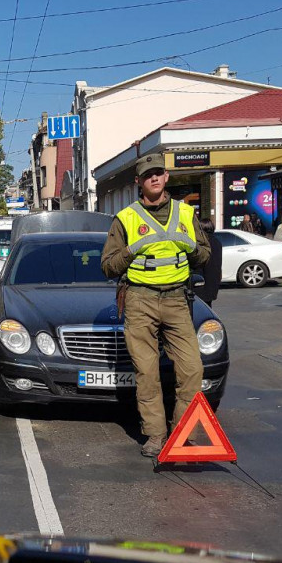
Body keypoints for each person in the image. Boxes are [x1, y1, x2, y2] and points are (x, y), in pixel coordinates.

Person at [101, 153, 211, 458]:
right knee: (146, 372)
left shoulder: (186, 214)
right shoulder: (125, 218)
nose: (154, 178)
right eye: (148, 174)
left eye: (159, 173)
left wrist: (190, 246)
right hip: (139, 299)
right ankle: (155, 434)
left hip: (176, 298)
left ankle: (182, 431)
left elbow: (205, 255)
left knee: (192, 369)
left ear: (166, 177)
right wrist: (132, 251)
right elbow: (108, 267)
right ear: (139, 181)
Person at [192, 218, 222, 309]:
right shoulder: (216, 241)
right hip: (213, 280)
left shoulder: (202, 242)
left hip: (201, 282)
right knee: (208, 306)